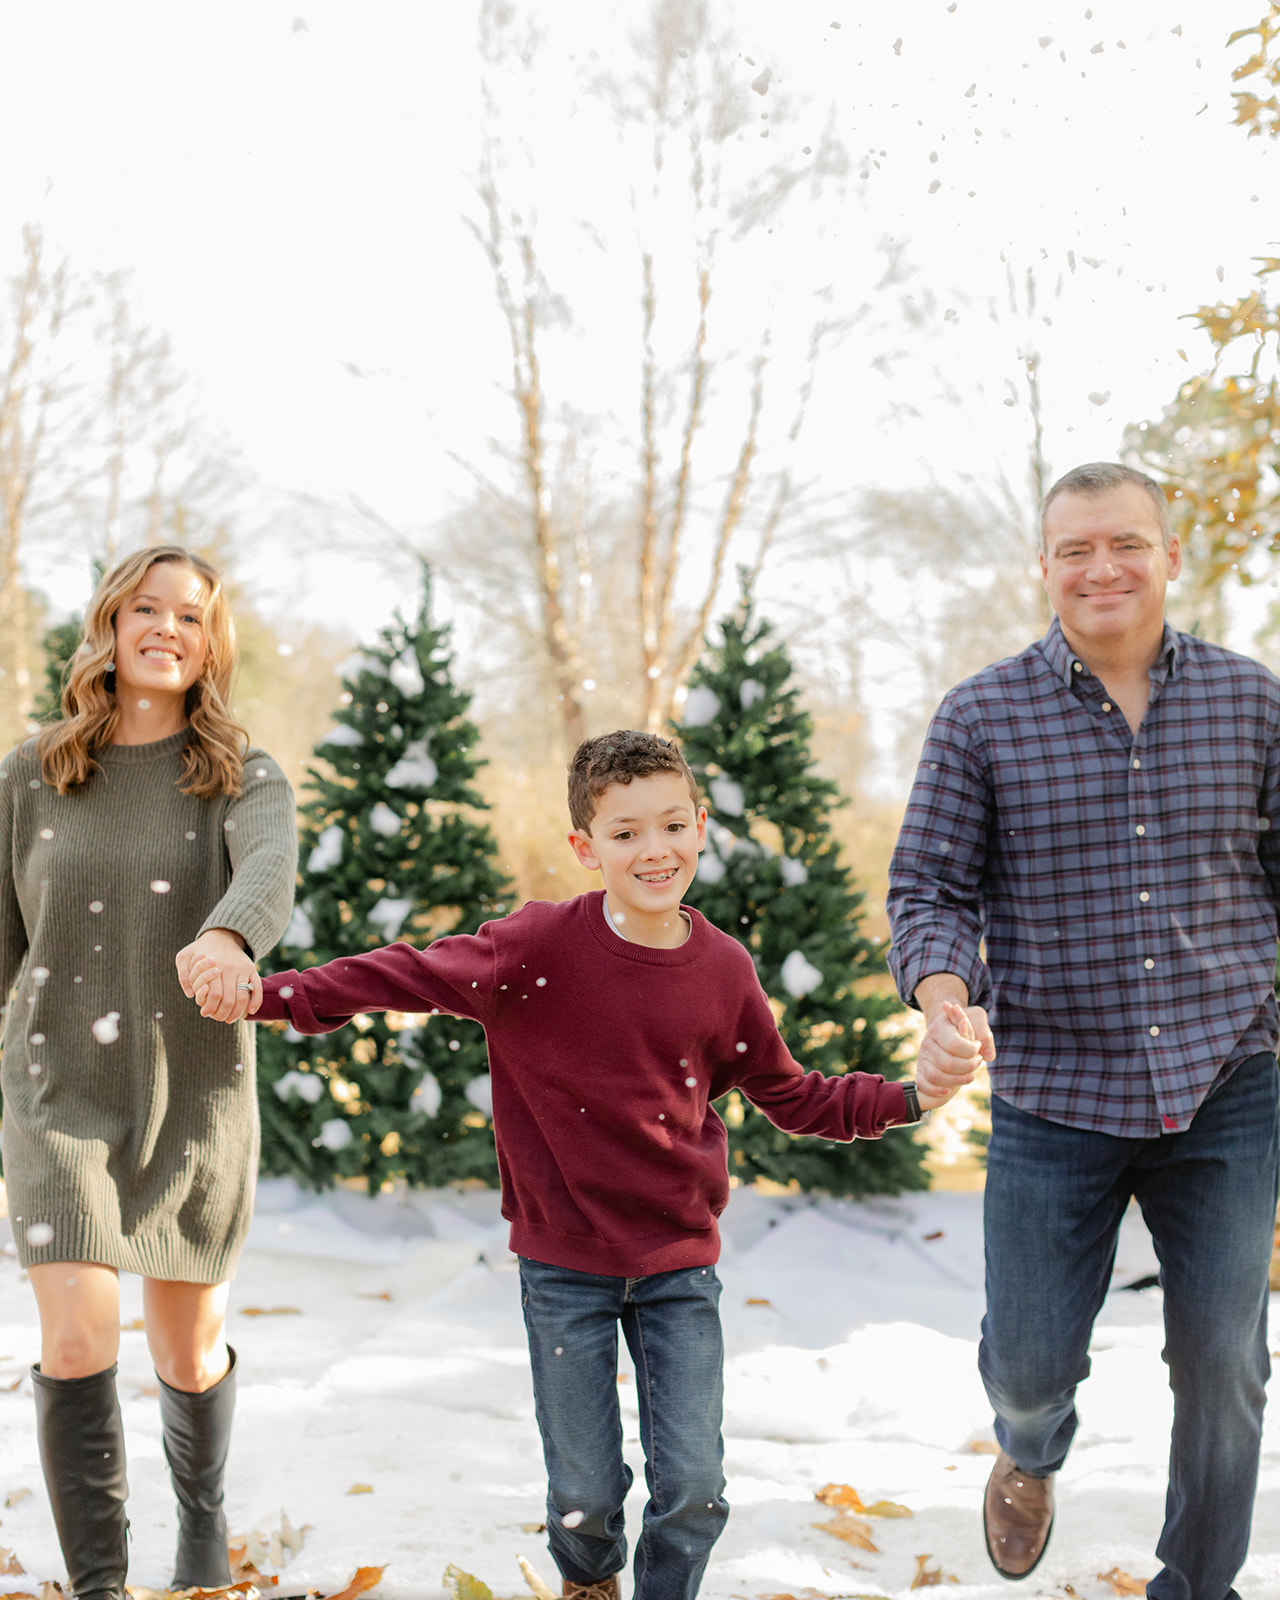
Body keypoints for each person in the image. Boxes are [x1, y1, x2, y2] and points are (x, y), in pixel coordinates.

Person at [193, 729, 968, 1600]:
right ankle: (589, 1584)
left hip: (679, 1265)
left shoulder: (722, 969)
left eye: (672, 826)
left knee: (695, 1490)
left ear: (701, 827)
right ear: (585, 847)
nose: (654, 850)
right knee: (586, 1500)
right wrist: (270, 994)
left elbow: (791, 1093)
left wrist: (910, 1098)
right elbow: (399, 974)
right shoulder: (533, 952)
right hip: (563, 1267)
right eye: (626, 832)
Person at [886, 461, 1280, 1597]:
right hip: (1053, 1086)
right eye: (1073, 549)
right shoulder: (981, 714)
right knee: (1024, 1365)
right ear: (1044, 568)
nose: (1099, 567)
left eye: (1123, 543)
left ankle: (1193, 1584)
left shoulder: (1251, 703)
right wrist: (945, 999)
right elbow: (927, 889)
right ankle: (1027, 1450)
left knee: (1223, 1361)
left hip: (1226, 1075)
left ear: (1166, 556)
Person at [0, 546, 297, 1600]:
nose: (166, 625)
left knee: (185, 1352)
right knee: (77, 1337)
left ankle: (202, 1525)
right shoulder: (33, 775)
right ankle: (100, 1587)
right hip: (56, 1090)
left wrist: (229, 936)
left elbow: (268, 867)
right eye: (145, 606)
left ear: (211, 642)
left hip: (193, 1090)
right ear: (111, 624)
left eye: (191, 613)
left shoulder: (240, 776)